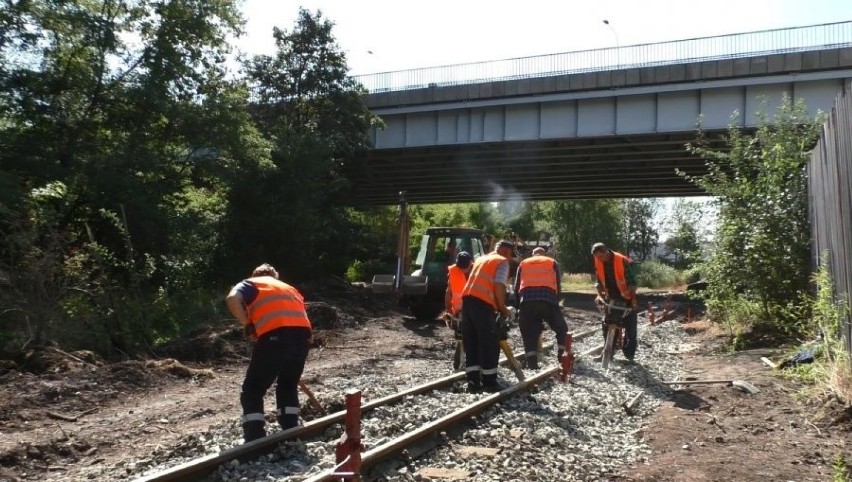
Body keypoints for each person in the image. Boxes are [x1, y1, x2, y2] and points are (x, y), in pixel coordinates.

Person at [226, 263, 313, 442]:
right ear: (275, 276)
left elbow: (232, 298)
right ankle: (290, 427)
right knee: (288, 383)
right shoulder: (289, 288)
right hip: (303, 338)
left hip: (276, 336)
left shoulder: (251, 283)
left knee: (253, 388)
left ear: (254, 275)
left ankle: (255, 434)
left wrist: (247, 324)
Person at [460, 240, 515, 392]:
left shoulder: (481, 259)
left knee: (471, 343)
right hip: (482, 304)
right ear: (506, 252)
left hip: (467, 302)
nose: (510, 259)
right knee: (489, 342)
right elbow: (499, 285)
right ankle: (489, 383)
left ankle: (473, 382)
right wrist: (503, 308)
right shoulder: (501, 261)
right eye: (511, 256)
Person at [513, 247, 568, 369]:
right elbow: (558, 284)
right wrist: (556, 302)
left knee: (529, 333)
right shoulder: (552, 262)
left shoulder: (523, 263)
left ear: (533, 254)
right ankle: (562, 357)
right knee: (561, 328)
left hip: (526, 301)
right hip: (547, 299)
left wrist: (518, 307)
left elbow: (516, 287)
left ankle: (532, 364)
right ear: (544, 254)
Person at [591, 242, 639, 362]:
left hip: (626, 297)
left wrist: (633, 299)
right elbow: (599, 281)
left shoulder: (622, 260)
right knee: (607, 325)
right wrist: (599, 294)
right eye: (597, 257)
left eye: (601, 256)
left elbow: (632, 282)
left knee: (630, 328)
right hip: (611, 297)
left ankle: (629, 356)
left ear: (607, 251)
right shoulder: (598, 261)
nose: (599, 259)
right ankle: (607, 354)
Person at [444, 251, 474, 317]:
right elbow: (448, 292)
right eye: (461, 266)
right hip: (459, 312)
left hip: (474, 312)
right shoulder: (454, 271)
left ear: (471, 262)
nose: (463, 268)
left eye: (465, 266)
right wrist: (449, 309)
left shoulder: (478, 272)